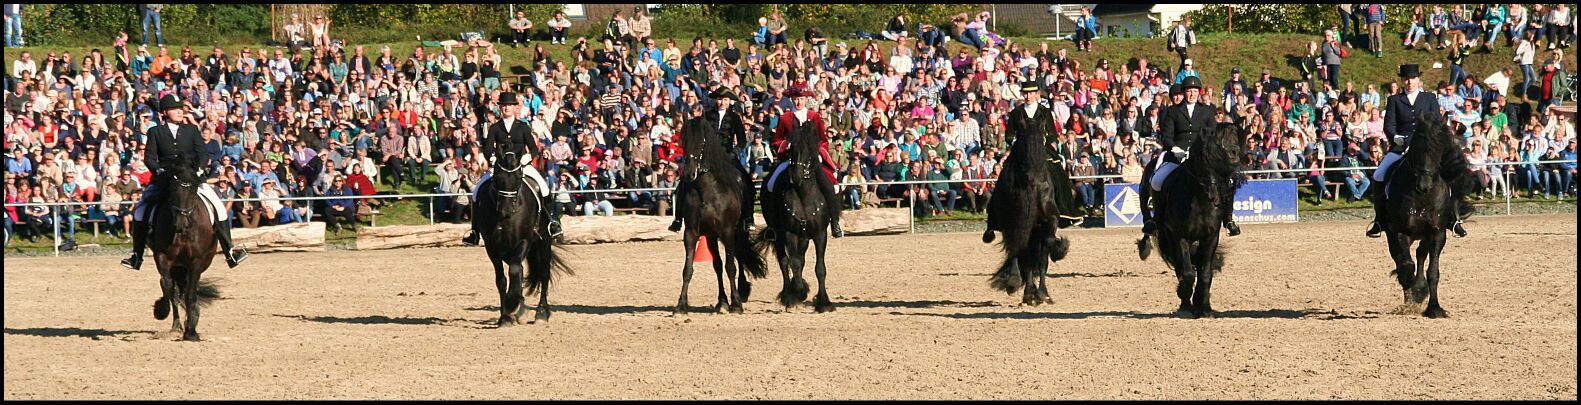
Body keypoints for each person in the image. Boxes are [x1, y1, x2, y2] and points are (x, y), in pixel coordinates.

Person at [122, 94, 248, 270]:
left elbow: (203, 154)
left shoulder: (192, 130)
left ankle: (230, 251)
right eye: (175, 109)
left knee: (218, 207)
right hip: (165, 179)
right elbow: (150, 158)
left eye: (181, 108)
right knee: (140, 212)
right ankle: (137, 255)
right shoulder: (155, 132)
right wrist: (158, 170)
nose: (180, 111)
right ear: (165, 112)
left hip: (192, 178)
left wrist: (199, 169)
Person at [1369, 64, 1470, 238]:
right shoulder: (1394, 100)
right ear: (1403, 80)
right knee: (1379, 175)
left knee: (1450, 174)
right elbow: (1389, 125)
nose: (1410, 82)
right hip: (1402, 146)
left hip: (1428, 149)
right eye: (1406, 79)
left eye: (1413, 78)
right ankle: (1379, 220)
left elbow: (1437, 123)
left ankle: (1454, 218)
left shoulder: (1429, 98)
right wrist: (1396, 138)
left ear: (1418, 80)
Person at [1139, 76, 1240, 236]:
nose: (1192, 94)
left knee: (1229, 180)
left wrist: (1206, 152)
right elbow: (1167, 136)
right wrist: (1175, 149)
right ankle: (1155, 217)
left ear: (1198, 93)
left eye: (1194, 91)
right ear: (1184, 92)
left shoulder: (1207, 111)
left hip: (1201, 156)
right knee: (1157, 180)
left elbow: (1212, 134)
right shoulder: (1173, 111)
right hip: (1177, 154)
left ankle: (1228, 219)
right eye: (1188, 91)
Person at [462, 92, 561, 246]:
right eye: (504, 105)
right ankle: (474, 232)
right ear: (500, 107)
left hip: (521, 165)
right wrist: (492, 158)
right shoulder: (495, 127)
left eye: (509, 105)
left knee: (544, 188)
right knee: (476, 193)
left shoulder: (522, 126)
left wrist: (527, 158)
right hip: (500, 167)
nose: (506, 107)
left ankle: (551, 223)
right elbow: (487, 149)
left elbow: (534, 148)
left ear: (515, 107)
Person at [670, 87, 753, 232]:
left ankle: (748, 217)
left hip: (728, 156)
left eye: (725, 100)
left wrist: (733, 154)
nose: (722, 102)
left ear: (729, 102)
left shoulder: (735, 118)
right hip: (708, 156)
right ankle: (678, 218)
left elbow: (741, 142)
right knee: (685, 180)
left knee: (745, 181)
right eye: (720, 99)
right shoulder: (707, 115)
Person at [766, 86, 843, 237]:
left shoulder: (814, 117)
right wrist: (787, 145)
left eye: (801, 99)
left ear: (806, 100)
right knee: (770, 184)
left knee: (831, 186)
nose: (799, 101)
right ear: (791, 100)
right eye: (796, 99)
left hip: (813, 159)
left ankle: (834, 222)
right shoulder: (785, 118)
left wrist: (820, 154)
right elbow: (777, 140)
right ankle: (772, 226)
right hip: (791, 159)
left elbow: (822, 140)